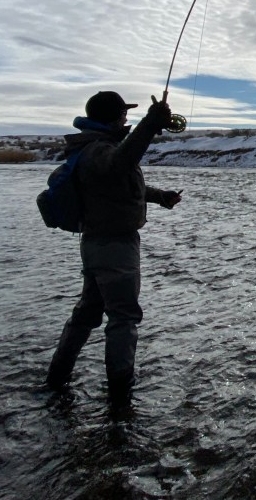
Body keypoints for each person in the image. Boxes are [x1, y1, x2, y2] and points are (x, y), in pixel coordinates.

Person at [46, 90, 182, 404]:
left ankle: (56, 380)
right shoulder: (98, 150)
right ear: (111, 117)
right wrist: (149, 124)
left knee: (87, 314)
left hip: (97, 244)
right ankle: (120, 396)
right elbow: (121, 164)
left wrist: (160, 196)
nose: (125, 118)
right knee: (123, 318)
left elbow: (119, 183)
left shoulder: (91, 148)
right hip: (114, 248)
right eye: (123, 113)